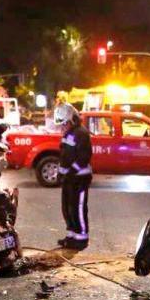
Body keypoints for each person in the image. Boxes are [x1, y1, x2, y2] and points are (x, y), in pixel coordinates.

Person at [54, 103, 92, 250]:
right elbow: (64, 156)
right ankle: (71, 236)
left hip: (80, 178)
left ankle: (82, 238)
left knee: (79, 209)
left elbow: (84, 157)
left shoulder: (81, 133)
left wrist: (70, 172)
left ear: (72, 119)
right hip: (69, 179)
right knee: (67, 208)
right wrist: (60, 173)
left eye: (65, 123)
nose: (62, 127)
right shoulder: (68, 133)